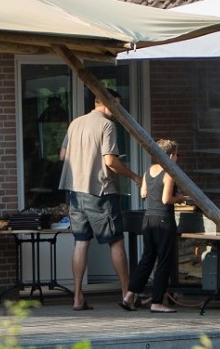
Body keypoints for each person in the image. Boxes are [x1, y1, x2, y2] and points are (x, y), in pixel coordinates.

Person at [58, 91, 139, 311]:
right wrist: (134, 177)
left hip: (75, 192)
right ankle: (127, 295)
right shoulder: (107, 125)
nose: (118, 110)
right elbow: (110, 161)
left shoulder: (75, 123)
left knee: (81, 241)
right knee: (116, 240)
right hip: (100, 191)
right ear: (103, 103)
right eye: (116, 105)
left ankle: (77, 298)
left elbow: (63, 155)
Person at [126, 139, 184, 313]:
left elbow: (143, 193)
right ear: (170, 156)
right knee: (164, 261)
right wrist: (179, 199)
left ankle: (129, 296)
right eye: (177, 155)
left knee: (147, 259)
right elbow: (166, 200)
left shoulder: (149, 170)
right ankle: (157, 302)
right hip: (164, 220)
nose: (177, 158)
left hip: (148, 219)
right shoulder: (169, 173)